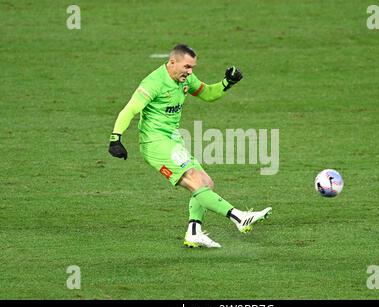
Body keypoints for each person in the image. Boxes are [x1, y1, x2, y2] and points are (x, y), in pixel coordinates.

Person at [108, 44, 272, 248]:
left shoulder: (185, 79)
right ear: (172, 62)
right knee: (195, 181)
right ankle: (239, 217)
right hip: (156, 143)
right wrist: (116, 138)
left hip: (173, 140)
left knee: (206, 183)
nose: (190, 71)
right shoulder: (153, 83)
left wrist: (227, 83)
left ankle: (194, 232)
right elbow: (129, 109)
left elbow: (208, 94)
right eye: (187, 66)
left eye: (192, 67)